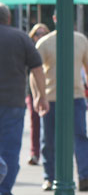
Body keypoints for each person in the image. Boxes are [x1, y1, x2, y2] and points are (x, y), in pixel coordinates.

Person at [34, 14, 88, 192]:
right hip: (51, 97)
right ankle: (50, 178)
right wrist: (38, 96)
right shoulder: (44, 43)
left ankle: (85, 176)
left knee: (80, 136)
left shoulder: (80, 40)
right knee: (49, 140)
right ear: (55, 18)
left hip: (76, 96)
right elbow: (35, 72)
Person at [0, 4, 48, 195]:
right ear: (8, 19)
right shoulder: (21, 38)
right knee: (10, 152)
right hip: (13, 102)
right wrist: (41, 97)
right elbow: (37, 69)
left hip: (13, 103)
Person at [25, 22, 49, 165]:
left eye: (44, 33)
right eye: (37, 34)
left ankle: (48, 153)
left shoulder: (50, 47)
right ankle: (35, 153)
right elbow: (33, 73)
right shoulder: (28, 49)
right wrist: (37, 95)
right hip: (32, 91)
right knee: (35, 122)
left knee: (48, 123)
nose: (40, 36)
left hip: (49, 90)